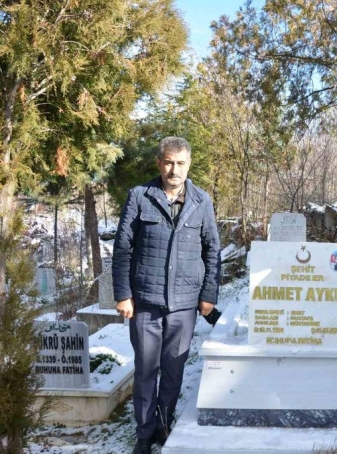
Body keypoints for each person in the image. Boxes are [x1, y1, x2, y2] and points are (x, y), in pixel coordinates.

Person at [113, 137, 221, 454]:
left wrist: (208, 295)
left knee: (174, 370)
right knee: (147, 371)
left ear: (189, 164)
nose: (175, 170)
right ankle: (144, 435)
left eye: (181, 163)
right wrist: (123, 294)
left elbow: (212, 251)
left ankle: (164, 425)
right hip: (145, 302)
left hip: (184, 304)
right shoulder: (139, 196)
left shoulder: (202, 201)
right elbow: (122, 249)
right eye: (169, 162)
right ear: (159, 163)